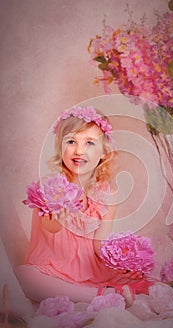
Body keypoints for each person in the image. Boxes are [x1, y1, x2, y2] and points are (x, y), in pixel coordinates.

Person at [16, 106, 153, 307]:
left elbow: (99, 244)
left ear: (104, 153)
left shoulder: (107, 193)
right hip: (52, 266)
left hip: (88, 266)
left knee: (139, 278)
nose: (79, 150)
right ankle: (98, 296)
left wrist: (122, 263)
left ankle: (101, 289)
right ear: (60, 147)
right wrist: (59, 220)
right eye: (71, 141)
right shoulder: (49, 187)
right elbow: (50, 228)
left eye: (89, 143)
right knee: (22, 276)